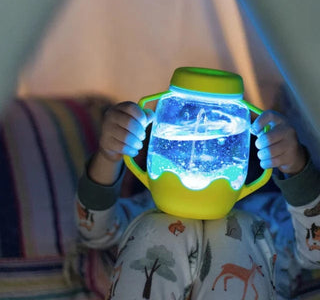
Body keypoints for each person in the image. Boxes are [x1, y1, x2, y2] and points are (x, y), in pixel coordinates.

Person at [76, 101, 320, 300]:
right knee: (157, 226)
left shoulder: (272, 216)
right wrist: (110, 154)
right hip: (154, 231)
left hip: (256, 225)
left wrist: (295, 164)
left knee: (240, 227)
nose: (197, 153)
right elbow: (95, 230)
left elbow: (316, 253)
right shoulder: (148, 208)